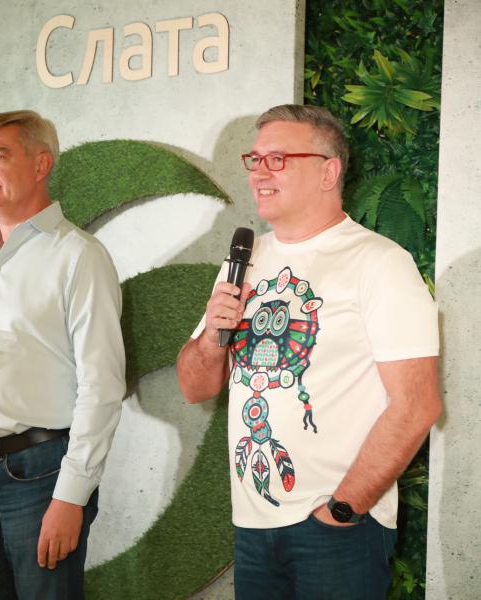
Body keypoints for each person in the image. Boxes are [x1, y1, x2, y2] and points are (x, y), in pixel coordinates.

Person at [176, 104, 441, 599]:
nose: (259, 172)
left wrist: (342, 509)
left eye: (277, 159)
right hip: (252, 527)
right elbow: (195, 388)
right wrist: (212, 334)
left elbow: (417, 404)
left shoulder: (379, 262)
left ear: (328, 171)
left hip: (336, 530)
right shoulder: (245, 260)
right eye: (255, 159)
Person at [0, 110, 125, 599]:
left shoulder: (78, 255)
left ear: (41, 164)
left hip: (39, 475)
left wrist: (71, 497)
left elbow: (102, 385)